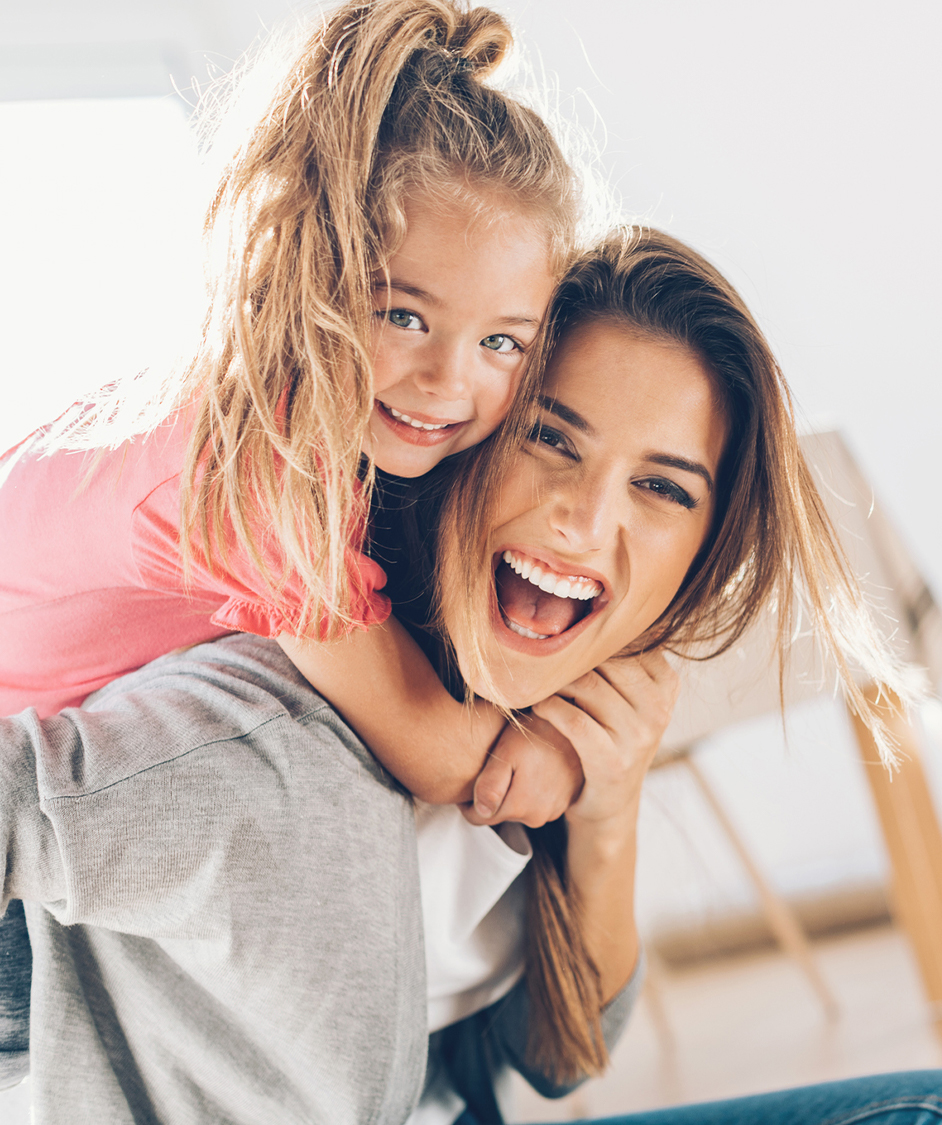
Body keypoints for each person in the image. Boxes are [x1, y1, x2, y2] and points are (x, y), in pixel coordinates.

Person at [1, 227, 937, 1123]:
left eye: (662, 487)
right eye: (550, 437)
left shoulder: (542, 730)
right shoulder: (260, 731)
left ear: (701, 552)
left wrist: (606, 815)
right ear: (464, 435)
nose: (583, 517)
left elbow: (555, 1050)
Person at [0, 0, 593, 1086]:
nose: (447, 381)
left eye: (502, 341)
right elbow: (433, 749)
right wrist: (575, 749)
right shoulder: (258, 471)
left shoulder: (256, 417)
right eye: (402, 316)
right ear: (304, 270)